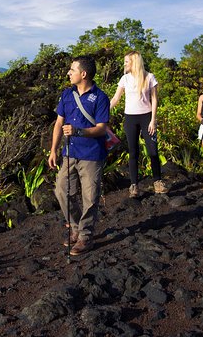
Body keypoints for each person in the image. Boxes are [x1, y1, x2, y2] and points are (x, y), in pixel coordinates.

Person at [48, 55, 110, 256]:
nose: (68, 73)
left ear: (83, 74)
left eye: (72, 70)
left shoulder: (100, 97)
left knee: (90, 197)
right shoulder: (67, 95)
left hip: (92, 154)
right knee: (61, 190)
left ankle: (85, 236)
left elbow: (101, 129)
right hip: (69, 153)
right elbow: (59, 123)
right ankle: (75, 226)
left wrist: (79, 131)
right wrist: (53, 150)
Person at [109, 51, 167, 198]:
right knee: (133, 151)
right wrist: (103, 110)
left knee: (153, 150)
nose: (124, 64)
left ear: (134, 62)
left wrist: (153, 120)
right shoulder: (124, 79)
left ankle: (158, 182)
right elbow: (116, 98)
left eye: (127, 61)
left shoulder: (149, 77)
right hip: (130, 118)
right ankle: (134, 185)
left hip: (147, 117)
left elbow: (154, 100)